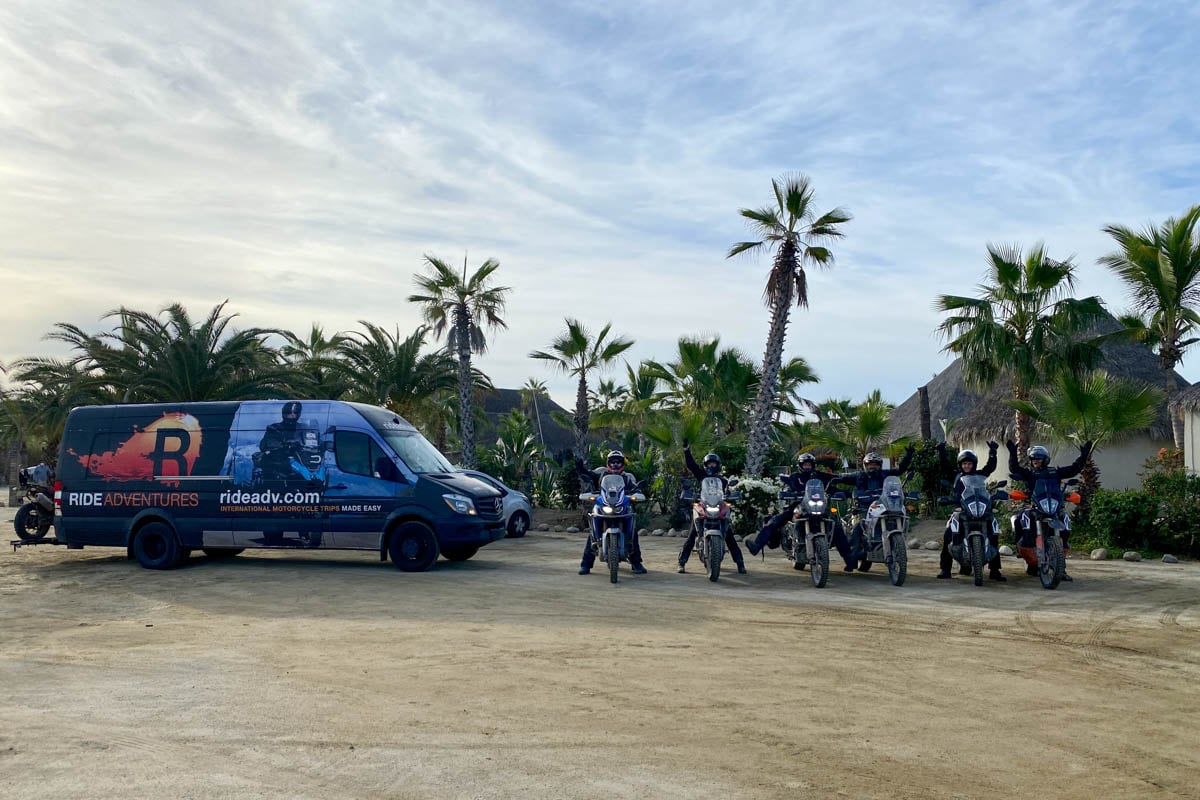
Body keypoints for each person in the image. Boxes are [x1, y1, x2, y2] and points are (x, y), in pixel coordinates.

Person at [746, 452, 856, 572]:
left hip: (818, 507)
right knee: (775, 521)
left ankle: (849, 560)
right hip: (797, 507)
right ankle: (756, 545)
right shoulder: (794, 477)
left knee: (837, 526)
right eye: (805, 464)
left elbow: (833, 485)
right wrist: (787, 493)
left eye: (809, 464)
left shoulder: (820, 477)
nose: (807, 466)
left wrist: (848, 494)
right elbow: (787, 487)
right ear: (800, 465)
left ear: (813, 465)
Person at [1006, 440, 1093, 581]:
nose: (1035, 461)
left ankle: (1061, 568)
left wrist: (1084, 455)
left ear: (1045, 459)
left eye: (1038, 459)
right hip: (1034, 507)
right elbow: (1015, 469)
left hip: (1053, 507)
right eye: (1033, 459)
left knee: (1065, 520)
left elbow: (1074, 469)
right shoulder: (1029, 473)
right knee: (1020, 519)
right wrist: (1012, 453)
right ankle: (1022, 550)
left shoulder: (1055, 472)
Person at [936, 442, 1006, 581]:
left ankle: (995, 570)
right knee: (948, 534)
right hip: (961, 510)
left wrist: (993, 452)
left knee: (993, 534)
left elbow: (990, 467)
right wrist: (941, 451)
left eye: (969, 463)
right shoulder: (956, 476)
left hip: (980, 509)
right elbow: (945, 466)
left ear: (973, 464)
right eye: (964, 464)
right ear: (960, 465)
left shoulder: (980, 476)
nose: (967, 466)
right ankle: (945, 569)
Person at [676, 443, 746, 575]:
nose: (711, 466)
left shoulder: (723, 481)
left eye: (713, 464)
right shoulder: (701, 476)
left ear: (718, 465)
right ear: (705, 465)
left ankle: (740, 563)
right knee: (692, 534)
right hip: (704, 507)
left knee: (729, 535)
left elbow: (727, 494)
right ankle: (681, 562)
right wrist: (686, 450)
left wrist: (731, 497)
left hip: (718, 508)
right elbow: (691, 465)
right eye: (709, 464)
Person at [843, 445, 915, 571]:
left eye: (875, 464)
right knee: (858, 527)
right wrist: (828, 478)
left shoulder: (885, 474)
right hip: (864, 508)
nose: (873, 466)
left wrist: (908, 456)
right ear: (866, 465)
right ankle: (853, 559)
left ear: (880, 465)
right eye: (870, 464)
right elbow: (841, 477)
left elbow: (900, 470)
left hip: (883, 506)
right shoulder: (859, 476)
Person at [575, 450, 647, 575]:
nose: (615, 465)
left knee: (632, 533)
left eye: (618, 462)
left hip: (622, 507)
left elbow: (635, 487)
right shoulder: (601, 473)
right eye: (612, 462)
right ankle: (586, 565)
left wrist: (637, 493)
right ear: (608, 463)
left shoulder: (628, 476)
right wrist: (579, 467)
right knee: (592, 533)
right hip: (604, 505)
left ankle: (636, 563)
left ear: (622, 463)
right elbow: (587, 474)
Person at [258, 401, 306, 481]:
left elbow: (314, 438)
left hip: (302, 461)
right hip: (280, 462)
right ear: (284, 413)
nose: (292, 415)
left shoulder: (304, 428)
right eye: (289, 413)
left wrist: (324, 444)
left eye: (295, 412)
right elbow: (265, 444)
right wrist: (284, 445)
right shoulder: (274, 428)